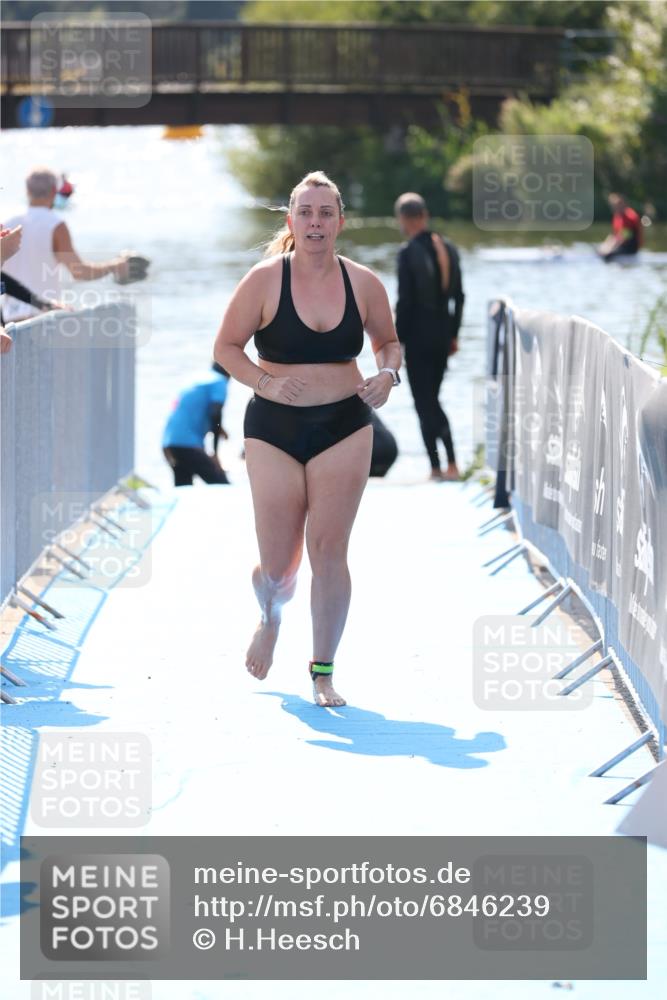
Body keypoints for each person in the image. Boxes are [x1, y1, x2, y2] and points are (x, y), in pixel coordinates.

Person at [213, 170, 402, 707]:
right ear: (291, 219)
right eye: (306, 212)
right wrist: (266, 381)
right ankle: (271, 615)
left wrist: (388, 375)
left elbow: (388, 342)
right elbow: (227, 348)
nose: (315, 222)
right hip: (273, 429)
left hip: (345, 424)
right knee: (278, 564)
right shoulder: (264, 279)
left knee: (329, 549)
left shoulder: (363, 282)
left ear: (340, 221)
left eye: (325, 213)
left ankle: (322, 671)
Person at [0, 167, 130, 323]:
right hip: (42, 317)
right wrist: (114, 266)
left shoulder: (7, 223)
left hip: (10, 321)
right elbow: (80, 272)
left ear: (28, 191)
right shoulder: (56, 225)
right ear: (54, 191)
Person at [394, 192, 464, 481]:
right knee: (433, 398)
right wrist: (454, 334)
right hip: (442, 334)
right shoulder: (448, 247)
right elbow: (459, 297)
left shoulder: (407, 252)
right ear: (425, 215)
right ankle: (452, 464)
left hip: (418, 338)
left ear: (404, 219)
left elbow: (405, 303)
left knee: (425, 403)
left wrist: (396, 341)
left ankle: (437, 467)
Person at [162, 361, 231, 487]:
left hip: (169, 443)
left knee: (184, 488)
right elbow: (216, 414)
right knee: (222, 485)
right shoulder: (219, 382)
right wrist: (215, 454)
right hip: (187, 444)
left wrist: (219, 429)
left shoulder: (198, 379)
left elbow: (191, 412)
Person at [598, 193, 643, 261]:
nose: (614, 207)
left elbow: (625, 236)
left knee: (607, 255)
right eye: (613, 205)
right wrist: (605, 244)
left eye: (617, 205)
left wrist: (610, 248)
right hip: (621, 244)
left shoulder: (630, 216)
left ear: (623, 204)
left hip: (630, 248)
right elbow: (614, 234)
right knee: (600, 250)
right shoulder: (617, 216)